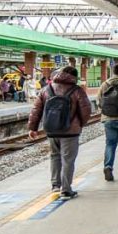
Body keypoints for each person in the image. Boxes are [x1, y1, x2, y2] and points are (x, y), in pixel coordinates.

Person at [28, 66, 91, 199]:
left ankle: (55, 185)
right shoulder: (77, 90)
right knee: (68, 160)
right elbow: (85, 110)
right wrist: (80, 124)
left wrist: (32, 128)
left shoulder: (46, 89)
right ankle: (66, 190)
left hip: (52, 130)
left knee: (54, 156)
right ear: (75, 77)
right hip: (70, 132)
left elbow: (36, 110)